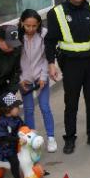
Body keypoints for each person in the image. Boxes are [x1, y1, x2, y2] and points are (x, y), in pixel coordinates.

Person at [45, 0, 90, 154]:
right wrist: (51, 63)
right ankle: (70, 138)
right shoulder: (56, 12)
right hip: (70, 64)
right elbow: (49, 41)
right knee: (71, 103)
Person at [18, 10, 57, 153]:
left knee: (45, 107)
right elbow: (16, 61)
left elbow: (47, 58)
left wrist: (43, 77)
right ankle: (31, 139)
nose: (30, 29)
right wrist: (20, 79)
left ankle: (51, 138)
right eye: (27, 26)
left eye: (34, 26)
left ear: (39, 24)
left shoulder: (44, 34)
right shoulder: (17, 36)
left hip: (41, 77)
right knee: (28, 110)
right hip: (25, 80)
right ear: (22, 23)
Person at [0, 92, 26, 178]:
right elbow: (3, 137)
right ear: (8, 109)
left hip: (17, 143)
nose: (19, 108)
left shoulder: (17, 118)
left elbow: (23, 126)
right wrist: (17, 139)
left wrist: (29, 130)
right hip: (6, 147)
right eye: (16, 106)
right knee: (15, 162)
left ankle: (35, 170)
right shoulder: (1, 122)